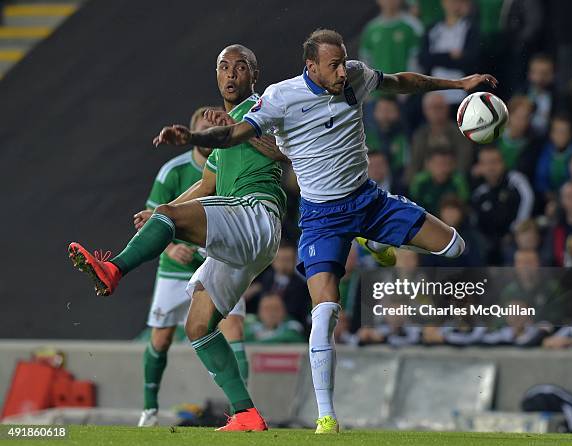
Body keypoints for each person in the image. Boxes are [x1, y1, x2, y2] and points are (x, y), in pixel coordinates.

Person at [152, 29, 497, 434]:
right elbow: (236, 133)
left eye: (343, 61)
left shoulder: (354, 75)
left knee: (454, 247)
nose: (341, 70)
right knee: (325, 311)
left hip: (368, 201)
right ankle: (326, 417)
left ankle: (376, 237)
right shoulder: (281, 97)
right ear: (310, 65)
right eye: (333, 64)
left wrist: (458, 84)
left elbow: (404, 82)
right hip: (321, 219)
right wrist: (193, 138)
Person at [69, 44, 288, 432]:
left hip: (257, 213)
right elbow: (207, 184)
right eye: (224, 67)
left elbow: (282, 154)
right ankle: (246, 415)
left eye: (241, 67)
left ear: (255, 74)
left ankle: (114, 269)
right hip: (242, 230)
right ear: (217, 75)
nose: (232, 73)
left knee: (171, 221)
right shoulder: (223, 132)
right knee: (199, 326)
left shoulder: (265, 107)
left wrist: (224, 130)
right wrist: (159, 211)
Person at [137, 108, 252, 427]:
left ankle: (242, 410)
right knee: (160, 339)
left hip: (219, 261)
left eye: (211, 130)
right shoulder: (172, 171)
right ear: (191, 135)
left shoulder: (231, 165)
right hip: (175, 268)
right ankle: (149, 410)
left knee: (234, 329)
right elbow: (151, 218)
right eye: (202, 130)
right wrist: (173, 247)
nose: (207, 135)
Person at [472, 145, 534, 264]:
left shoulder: (516, 180)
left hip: (514, 237)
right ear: (479, 167)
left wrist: (514, 230)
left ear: (503, 163)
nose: (491, 167)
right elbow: (476, 222)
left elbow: (528, 200)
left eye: (494, 162)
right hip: (489, 242)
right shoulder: (479, 191)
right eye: (486, 163)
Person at [407, 91, 473, 182]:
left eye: (440, 107)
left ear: (447, 109)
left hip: (452, 180)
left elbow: (464, 160)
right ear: (425, 111)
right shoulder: (420, 134)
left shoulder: (459, 132)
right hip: (426, 182)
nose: (436, 111)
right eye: (432, 108)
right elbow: (415, 163)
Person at [409, 147, 470, 216]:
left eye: (447, 164)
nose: (443, 169)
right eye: (438, 164)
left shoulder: (458, 182)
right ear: (428, 164)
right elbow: (412, 207)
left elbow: (464, 207)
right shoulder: (420, 181)